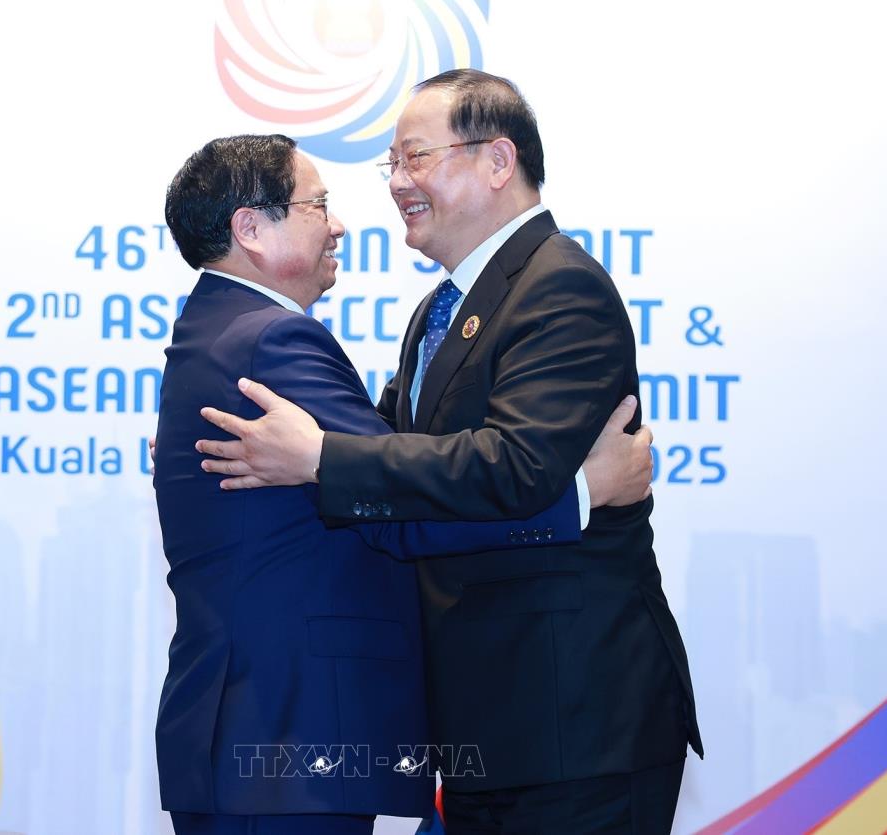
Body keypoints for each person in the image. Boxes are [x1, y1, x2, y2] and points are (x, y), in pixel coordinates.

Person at [196, 71, 703, 833]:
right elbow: (392, 451)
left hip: (575, 721)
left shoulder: (560, 286)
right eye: (392, 164)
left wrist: (322, 458)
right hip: (491, 726)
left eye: (416, 157)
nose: (398, 182)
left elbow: (513, 467)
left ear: (498, 161)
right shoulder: (441, 308)